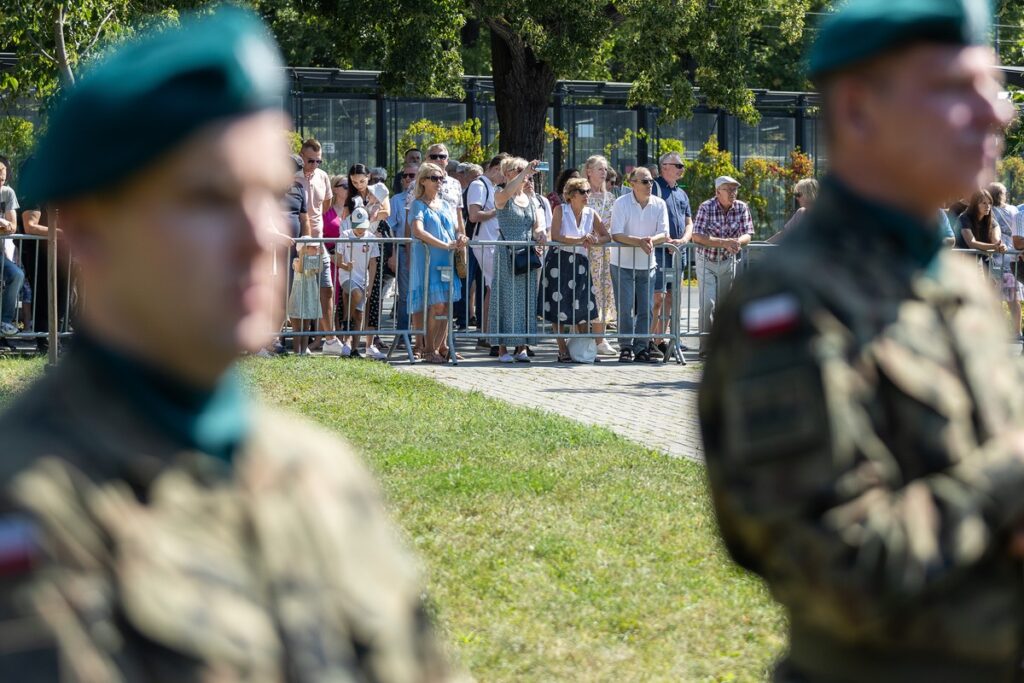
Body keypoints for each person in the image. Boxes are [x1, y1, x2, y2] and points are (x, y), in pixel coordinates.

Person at [0, 8, 454, 680]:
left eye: (270, 194)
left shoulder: (322, 473)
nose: (259, 237)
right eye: (210, 198)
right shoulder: (32, 505)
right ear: (88, 233)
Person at [699, 0, 1022, 679]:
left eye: (995, 87)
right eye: (957, 89)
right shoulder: (789, 307)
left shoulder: (956, 283)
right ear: (857, 110)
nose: (998, 111)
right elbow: (840, 571)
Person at [544, 176, 610, 362]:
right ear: (571, 195)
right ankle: (562, 348)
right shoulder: (560, 210)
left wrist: (595, 240)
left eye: (588, 191)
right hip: (559, 261)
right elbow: (556, 235)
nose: (587, 195)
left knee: (583, 308)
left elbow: (606, 236)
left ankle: (584, 349)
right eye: (582, 192)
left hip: (580, 263)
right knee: (558, 307)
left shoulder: (591, 213)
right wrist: (581, 239)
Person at [609, 166, 669, 363]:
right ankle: (625, 347)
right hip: (622, 263)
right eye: (644, 181)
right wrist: (640, 241)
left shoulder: (659, 203)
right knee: (625, 307)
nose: (649, 185)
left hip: (648, 264)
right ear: (632, 183)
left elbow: (664, 233)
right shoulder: (621, 203)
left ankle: (642, 347)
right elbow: (616, 233)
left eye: (651, 181)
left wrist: (650, 240)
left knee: (646, 308)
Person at [490, 157, 547, 363]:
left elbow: (538, 225)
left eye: (527, 171)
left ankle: (522, 346)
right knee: (505, 297)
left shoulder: (531, 200)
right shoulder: (501, 194)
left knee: (526, 298)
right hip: (507, 252)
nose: (526, 174)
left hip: (527, 253)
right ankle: (502, 348)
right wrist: (526, 172)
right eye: (520, 170)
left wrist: (540, 235)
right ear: (508, 173)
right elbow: (505, 195)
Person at [409, 163, 466, 363]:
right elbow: (418, 231)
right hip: (429, 261)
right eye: (434, 178)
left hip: (447, 260)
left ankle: (442, 347)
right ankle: (428, 349)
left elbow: (458, 228)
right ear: (423, 181)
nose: (439, 182)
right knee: (436, 305)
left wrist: (461, 238)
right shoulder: (418, 204)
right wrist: (444, 245)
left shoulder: (445, 204)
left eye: (441, 178)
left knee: (447, 305)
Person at [691, 176, 754, 357]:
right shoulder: (706, 207)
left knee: (725, 306)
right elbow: (697, 236)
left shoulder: (742, 207)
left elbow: (748, 233)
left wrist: (736, 243)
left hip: (728, 261)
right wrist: (723, 243)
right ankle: (705, 348)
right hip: (707, 261)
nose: (733, 193)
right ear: (718, 191)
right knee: (707, 304)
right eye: (729, 189)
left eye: (735, 189)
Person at [295, 138, 343, 354]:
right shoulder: (291, 178)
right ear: (301, 157)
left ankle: (330, 339)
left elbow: (325, 206)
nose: (314, 165)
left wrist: (316, 230)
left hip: (319, 241)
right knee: (301, 292)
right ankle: (299, 343)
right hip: (298, 243)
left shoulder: (323, 177)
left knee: (327, 289)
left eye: (318, 161)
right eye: (310, 161)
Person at [340, 163, 390, 360]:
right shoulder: (352, 198)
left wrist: (372, 215)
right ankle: (348, 341)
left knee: (373, 296)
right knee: (352, 297)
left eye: (361, 180)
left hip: (372, 246)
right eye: (354, 182)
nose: (358, 184)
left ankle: (370, 343)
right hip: (353, 246)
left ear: (369, 176)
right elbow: (345, 219)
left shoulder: (379, 190)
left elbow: (387, 211)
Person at [651, 151, 694, 360]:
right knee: (657, 297)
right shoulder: (654, 188)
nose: (682, 169)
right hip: (659, 252)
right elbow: (650, 218)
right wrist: (665, 239)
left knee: (672, 297)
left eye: (682, 166)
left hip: (678, 253)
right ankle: (653, 339)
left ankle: (664, 338)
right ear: (665, 166)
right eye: (679, 165)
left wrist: (684, 239)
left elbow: (689, 222)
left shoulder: (681, 193)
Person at [468, 154, 508, 351]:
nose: (505, 177)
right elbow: (474, 215)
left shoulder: (493, 187)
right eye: (504, 171)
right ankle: (487, 333)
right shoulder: (479, 185)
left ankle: (487, 332)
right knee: (494, 286)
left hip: (493, 242)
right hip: (484, 243)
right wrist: (498, 211)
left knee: (492, 288)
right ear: (495, 168)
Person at [584, 155, 619, 356]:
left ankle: (600, 339)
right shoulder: (582, 193)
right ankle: (580, 338)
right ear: (588, 171)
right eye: (599, 169)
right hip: (585, 251)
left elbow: (614, 225)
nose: (603, 173)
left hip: (605, 252)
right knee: (584, 292)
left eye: (605, 169)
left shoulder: (611, 198)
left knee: (604, 294)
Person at [336, 207, 379, 357]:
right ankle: (346, 319)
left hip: (362, 277)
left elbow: (373, 263)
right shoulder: (345, 235)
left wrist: (371, 285)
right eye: (357, 227)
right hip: (346, 276)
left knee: (360, 315)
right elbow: (338, 259)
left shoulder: (372, 237)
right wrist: (345, 266)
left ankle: (354, 349)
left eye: (363, 227)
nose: (360, 230)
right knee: (355, 294)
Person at [388, 162, 417, 335]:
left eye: (411, 176)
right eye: (404, 176)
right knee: (405, 294)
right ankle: (403, 335)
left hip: (425, 251)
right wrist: (392, 254)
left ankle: (425, 339)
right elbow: (390, 228)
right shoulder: (396, 200)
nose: (407, 179)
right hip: (403, 250)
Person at [0, 163, 25, 337]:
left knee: (17, 274)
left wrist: (4, 224)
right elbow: (6, 225)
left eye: (3, 176)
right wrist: (3, 223)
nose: (1, 179)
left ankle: (4, 323)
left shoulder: (8, 193)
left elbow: (13, 227)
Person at [288, 235, 323, 355]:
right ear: (304, 249)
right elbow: (301, 269)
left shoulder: (313, 261)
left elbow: (319, 269)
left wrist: (321, 255)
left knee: (306, 326)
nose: (315, 249)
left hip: (309, 295)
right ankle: (296, 351)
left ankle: (303, 351)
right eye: (312, 247)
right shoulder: (296, 261)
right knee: (297, 327)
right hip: (299, 295)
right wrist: (302, 254)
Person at [769, 177, 819, 242]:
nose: (796, 198)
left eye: (798, 195)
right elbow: (783, 233)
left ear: (809, 193)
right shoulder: (800, 213)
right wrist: (762, 245)